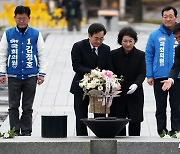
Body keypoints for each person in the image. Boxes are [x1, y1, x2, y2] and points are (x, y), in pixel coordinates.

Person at [0, 6, 47, 136]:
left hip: (31, 75)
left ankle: (26, 131)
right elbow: (2, 54)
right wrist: (2, 73)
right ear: (14, 18)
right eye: (19, 18)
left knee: (27, 106)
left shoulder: (35, 34)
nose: (21, 21)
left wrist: (41, 73)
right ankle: (14, 130)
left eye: (24, 18)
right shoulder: (8, 34)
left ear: (29, 19)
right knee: (13, 105)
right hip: (13, 75)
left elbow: (41, 54)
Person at [70, 23, 113, 136]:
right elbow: (76, 66)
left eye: (101, 39)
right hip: (81, 86)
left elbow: (109, 67)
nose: (99, 42)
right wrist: (91, 72)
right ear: (89, 35)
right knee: (81, 116)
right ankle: (82, 139)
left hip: (100, 87)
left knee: (100, 116)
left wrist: (107, 76)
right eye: (96, 38)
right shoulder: (78, 46)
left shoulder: (106, 49)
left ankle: (100, 138)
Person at [145, 6, 179, 137]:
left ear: (176, 17)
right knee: (161, 107)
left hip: (177, 76)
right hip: (159, 76)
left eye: (171, 16)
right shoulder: (155, 35)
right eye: (165, 16)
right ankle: (162, 130)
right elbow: (149, 55)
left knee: (176, 106)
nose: (168, 19)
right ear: (162, 17)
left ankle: (176, 130)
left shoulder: (179, 34)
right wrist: (149, 74)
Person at [109, 27, 145, 136]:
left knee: (135, 121)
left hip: (135, 93)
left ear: (135, 41)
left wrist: (136, 84)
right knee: (119, 123)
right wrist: (114, 83)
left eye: (130, 41)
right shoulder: (113, 54)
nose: (128, 44)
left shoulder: (141, 55)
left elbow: (142, 73)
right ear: (120, 41)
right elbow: (111, 71)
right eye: (125, 41)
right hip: (118, 93)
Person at [162, 22, 180, 91]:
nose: (178, 41)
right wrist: (170, 80)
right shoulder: (178, 49)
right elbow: (176, 66)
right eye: (176, 38)